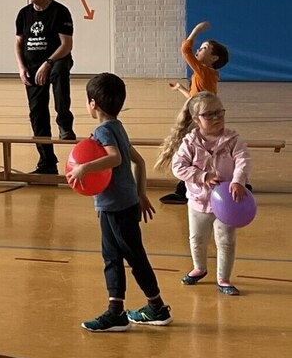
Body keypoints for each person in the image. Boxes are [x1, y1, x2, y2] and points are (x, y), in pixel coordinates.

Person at [67, 73, 171, 332]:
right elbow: (139, 161)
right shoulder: (117, 127)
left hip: (116, 207)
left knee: (132, 257)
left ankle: (156, 307)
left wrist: (84, 169)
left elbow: (114, 159)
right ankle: (117, 311)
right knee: (113, 256)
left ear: (93, 104)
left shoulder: (104, 130)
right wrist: (141, 194)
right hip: (119, 204)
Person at [157, 92, 250, 294]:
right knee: (197, 239)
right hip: (199, 202)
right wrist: (202, 176)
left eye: (219, 112)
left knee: (225, 241)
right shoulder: (190, 143)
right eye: (209, 114)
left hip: (228, 204)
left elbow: (243, 161)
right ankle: (199, 268)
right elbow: (178, 167)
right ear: (196, 120)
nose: (216, 117)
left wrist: (237, 181)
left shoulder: (233, 139)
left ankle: (223, 279)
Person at [161, 21, 230, 204]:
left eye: (204, 48)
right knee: (198, 151)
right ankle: (226, 180)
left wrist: (196, 31)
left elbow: (185, 50)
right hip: (201, 117)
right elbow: (195, 98)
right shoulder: (206, 75)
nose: (198, 50)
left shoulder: (204, 71)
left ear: (213, 58)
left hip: (198, 121)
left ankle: (183, 190)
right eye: (199, 47)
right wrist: (181, 88)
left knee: (189, 151)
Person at [14, 0, 75, 175]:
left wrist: (48, 63)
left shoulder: (60, 12)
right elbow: (19, 43)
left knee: (59, 72)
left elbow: (66, 45)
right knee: (37, 114)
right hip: (32, 66)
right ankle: (47, 162)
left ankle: (64, 123)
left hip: (56, 60)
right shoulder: (23, 14)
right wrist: (22, 67)